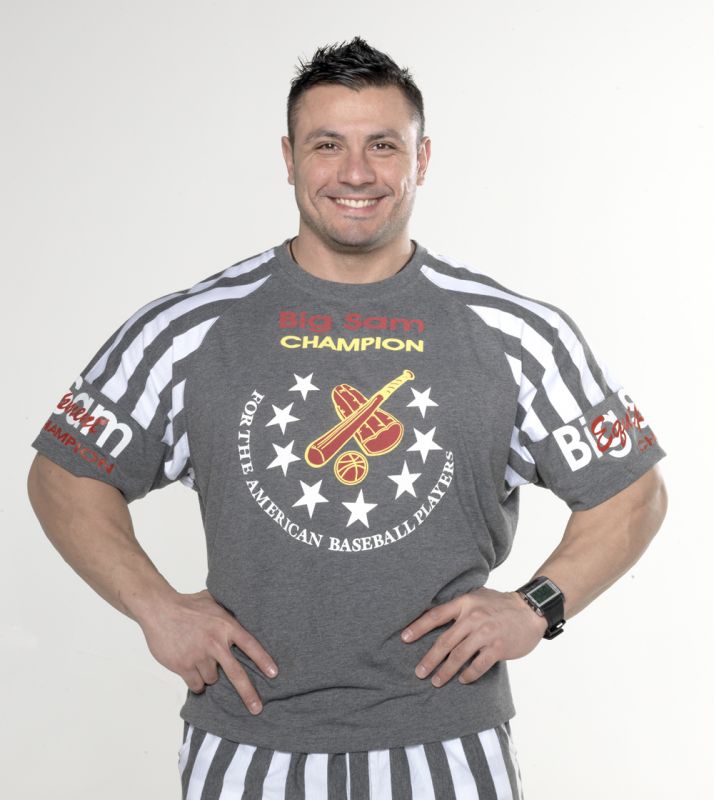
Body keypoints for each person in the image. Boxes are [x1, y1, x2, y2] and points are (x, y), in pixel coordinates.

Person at [27, 36, 667, 800]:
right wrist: (155, 606)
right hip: (246, 743)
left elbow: (633, 492)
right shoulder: (190, 330)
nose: (356, 173)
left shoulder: (515, 334)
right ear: (289, 157)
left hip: (450, 745)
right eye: (327, 144)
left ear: (421, 159)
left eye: (383, 146)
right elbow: (64, 474)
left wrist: (537, 607)